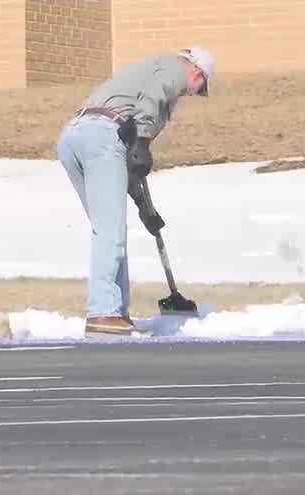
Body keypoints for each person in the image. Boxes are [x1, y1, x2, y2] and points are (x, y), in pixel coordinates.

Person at [56, 47, 214, 336]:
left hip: (75, 136)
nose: (193, 93)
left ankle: (116, 311)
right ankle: (103, 312)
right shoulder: (172, 72)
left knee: (108, 229)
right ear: (196, 71)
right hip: (103, 135)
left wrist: (143, 206)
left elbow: (127, 160)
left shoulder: (147, 74)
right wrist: (142, 141)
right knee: (110, 232)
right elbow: (150, 102)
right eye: (199, 87)